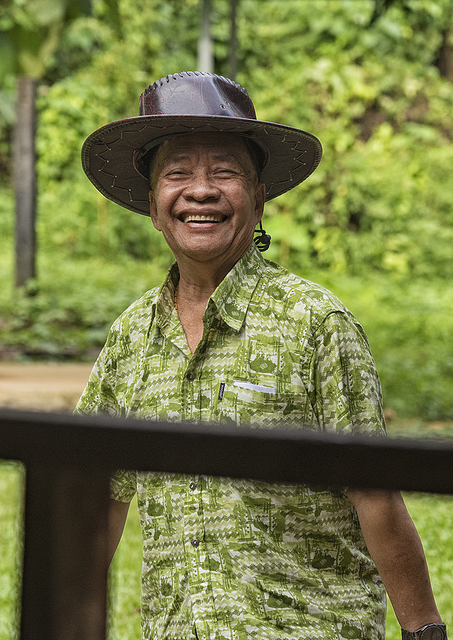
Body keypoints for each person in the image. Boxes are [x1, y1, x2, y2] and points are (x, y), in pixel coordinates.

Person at [76, 71, 445, 640]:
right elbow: (98, 500)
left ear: (259, 198)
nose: (200, 191)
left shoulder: (315, 323)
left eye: (224, 172)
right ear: (153, 206)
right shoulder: (132, 338)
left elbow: (376, 493)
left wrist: (425, 633)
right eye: (177, 174)